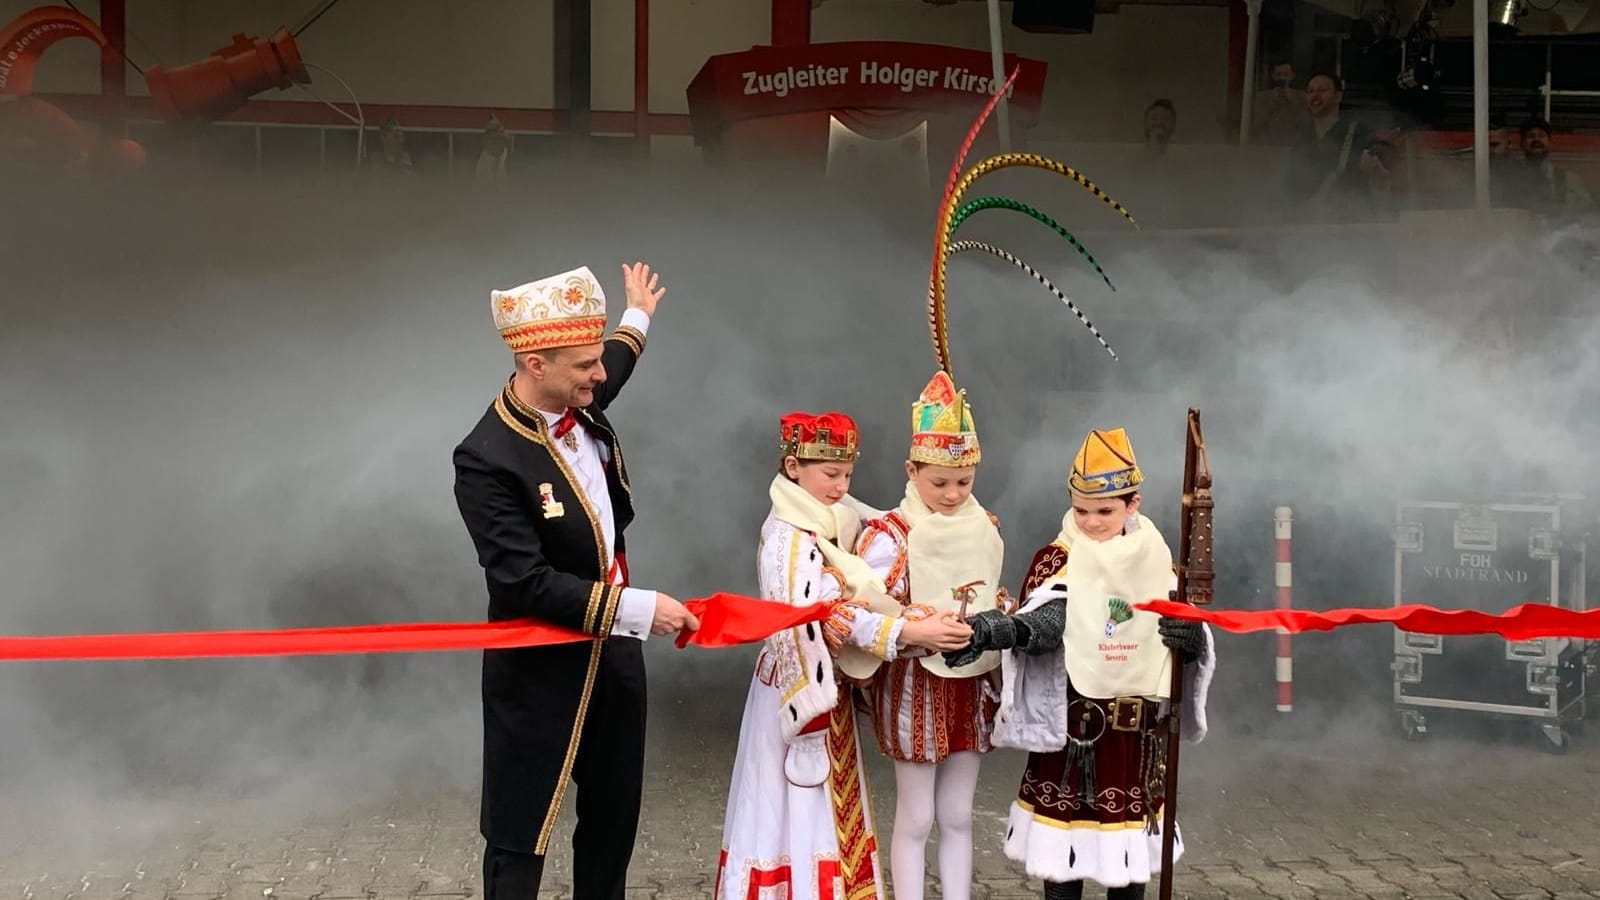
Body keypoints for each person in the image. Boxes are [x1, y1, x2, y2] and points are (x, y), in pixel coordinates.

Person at [453, 261, 700, 900]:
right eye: (583, 365)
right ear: (536, 364)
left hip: (614, 657)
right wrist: (641, 609)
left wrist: (637, 315)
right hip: (538, 666)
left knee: (612, 822)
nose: (600, 376)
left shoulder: (580, 390)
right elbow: (522, 583)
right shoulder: (484, 459)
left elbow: (613, 364)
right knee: (519, 829)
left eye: (598, 363)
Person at [944, 427, 1216, 900]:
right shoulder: (1058, 559)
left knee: (1129, 871)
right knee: (1062, 865)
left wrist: (1192, 638)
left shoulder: (1159, 562)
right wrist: (995, 629)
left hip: (1136, 737)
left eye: (1105, 511)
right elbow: (1048, 620)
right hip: (1076, 734)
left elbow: (1174, 644)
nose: (1090, 522)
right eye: (1081, 510)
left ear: (1133, 504)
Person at [714, 411, 974, 900]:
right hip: (794, 697)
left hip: (828, 688)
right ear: (794, 467)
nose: (841, 486)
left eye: (847, 474)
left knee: (831, 812)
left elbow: (891, 524)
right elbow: (820, 617)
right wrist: (908, 629)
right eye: (831, 474)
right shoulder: (787, 539)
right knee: (790, 811)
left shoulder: (833, 515)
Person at [856, 371, 1007, 900]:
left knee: (959, 814)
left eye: (963, 481)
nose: (952, 493)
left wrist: (999, 614)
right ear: (911, 470)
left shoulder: (984, 523)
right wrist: (916, 625)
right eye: (939, 482)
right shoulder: (889, 534)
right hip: (914, 683)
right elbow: (866, 607)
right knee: (917, 815)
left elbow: (993, 590)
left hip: (969, 679)